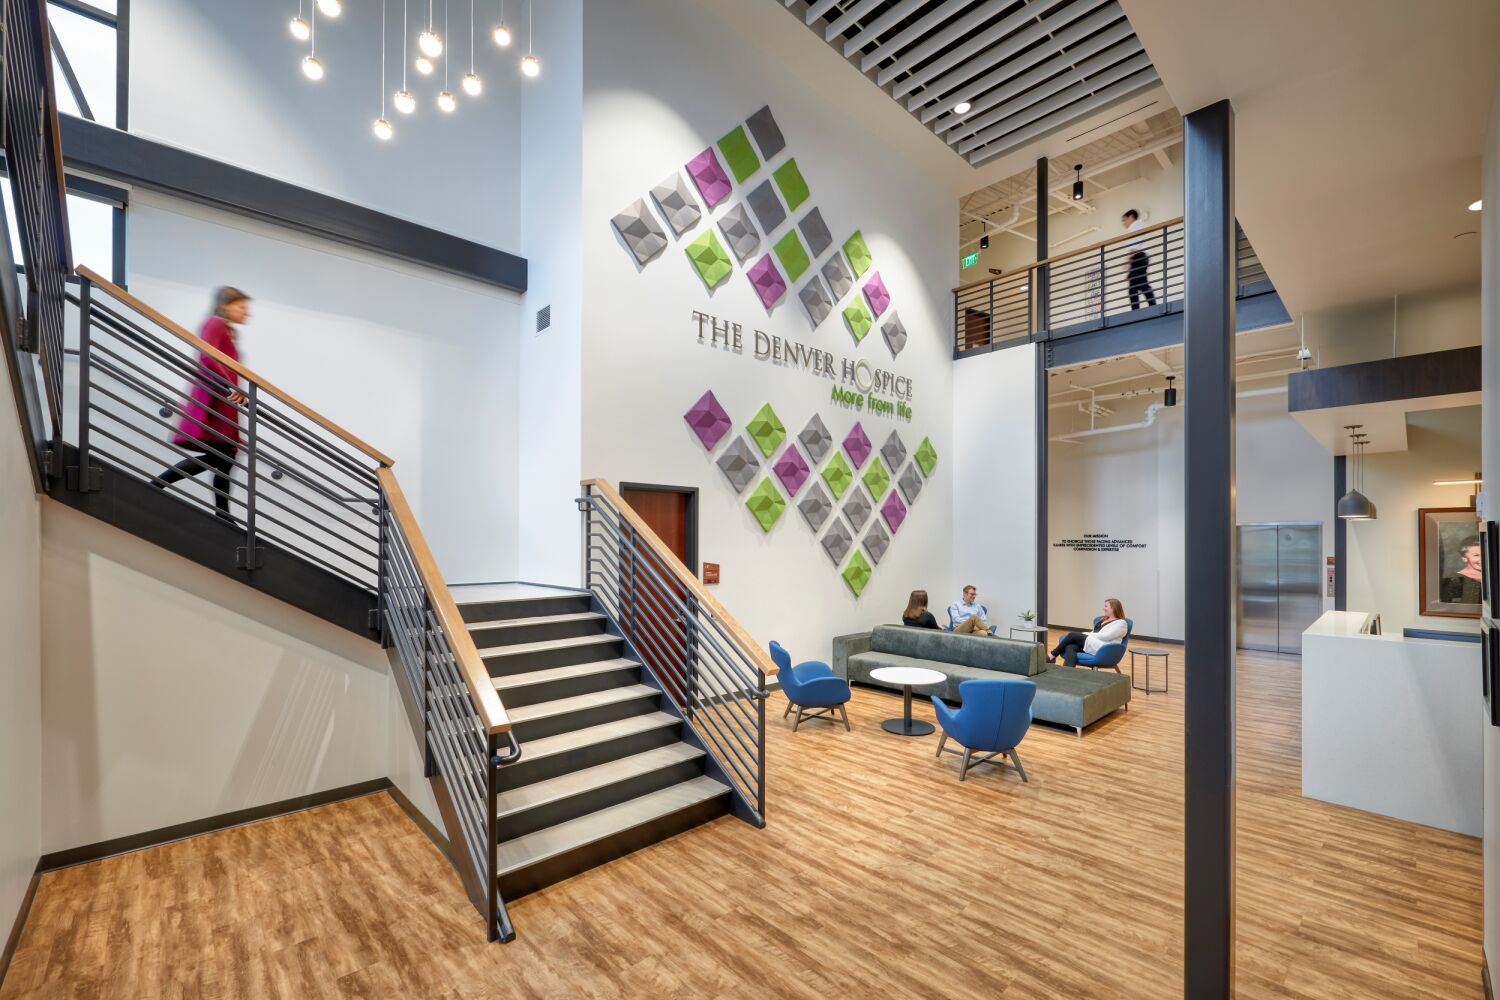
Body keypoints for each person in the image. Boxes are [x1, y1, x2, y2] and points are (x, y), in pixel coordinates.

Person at [153, 287, 252, 522]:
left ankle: (223, 514)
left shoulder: (225, 329)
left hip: (223, 401)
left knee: (227, 456)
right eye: (242, 307)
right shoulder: (216, 322)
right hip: (217, 400)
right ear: (226, 305)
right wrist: (232, 388)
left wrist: (236, 391)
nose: (246, 313)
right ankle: (158, 484)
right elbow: (207, 357)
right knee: (224, 455)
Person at [1050, 598, 1129, 667]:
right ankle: (1067, 672)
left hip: (1104, 647)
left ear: (1113, 608)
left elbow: (1106, 636)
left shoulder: (1121, 623)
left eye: (1106, 606)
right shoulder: (1103, 619)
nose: (1103, 608)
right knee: (1070, 647)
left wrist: (1086, 635)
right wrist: (1087, 634)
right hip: (1093, 643)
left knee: (1072, 635)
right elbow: (1095, 632)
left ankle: (1052, 655)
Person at [1122, 209, 1156, 310]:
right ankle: (1144, 308)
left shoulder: (1136, 226)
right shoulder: (1135, 227)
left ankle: (1146, 307)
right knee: (1136, 286)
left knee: (1139, 285)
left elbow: (1135, 246)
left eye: (1125, 220)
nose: (1124, 223)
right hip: (1138, 258)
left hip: (1139, 257)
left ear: (1131, 216)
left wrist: (1129, 261)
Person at [1440, 536, 1483, 604]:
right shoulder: (1455, 580)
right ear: (1464, 558)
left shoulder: (1491, 577)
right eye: (1476, 555)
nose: (1482, 559)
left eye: (1484, 554)